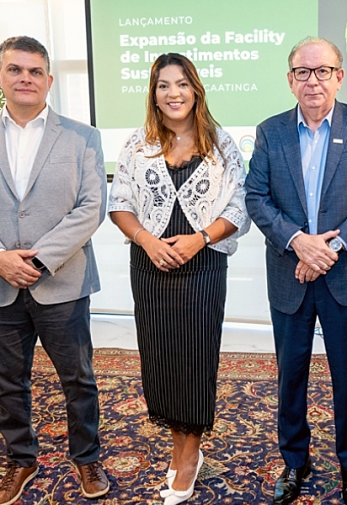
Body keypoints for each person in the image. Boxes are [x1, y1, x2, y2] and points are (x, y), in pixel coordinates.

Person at [0, 36, 109, 505]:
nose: (25, 79)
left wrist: (37, 259)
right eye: (15, 70)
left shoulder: (82, 136)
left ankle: (87, 457)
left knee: (78, 379)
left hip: (62, 281)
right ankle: (21, 459)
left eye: (35, 71)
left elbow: (91, 207)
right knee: (8, 382)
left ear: (49, 80)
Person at [245, 37, 347, 505]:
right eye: (303, 72)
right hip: (289, 275)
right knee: (290, 376)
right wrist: (299, 242)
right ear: (290, 80)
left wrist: (331, 248)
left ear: (339, 76)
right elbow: (256, 197)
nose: (313, 81)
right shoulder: (271, 132)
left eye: (323, 71)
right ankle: (295, 461)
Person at [108, 52, 249, 505]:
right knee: (161, 359)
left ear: (196, 90)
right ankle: (179, 443)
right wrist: (147, 241)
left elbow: (239, 207)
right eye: (164, 85)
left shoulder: (221, 144)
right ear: (153, 94)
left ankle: (191, 454)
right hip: (150, 267)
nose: (174, 93)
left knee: (195, 359)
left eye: (182, 84)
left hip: (202, 267)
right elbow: (119, 203)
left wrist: (200, 239)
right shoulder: (137, 143)